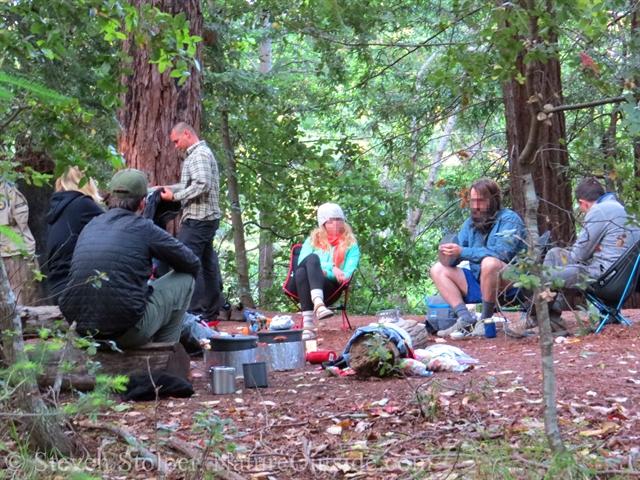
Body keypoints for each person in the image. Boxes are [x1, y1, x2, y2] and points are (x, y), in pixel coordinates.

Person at [59, 169, 200, 349]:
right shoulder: (143, 227)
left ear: (110, 198)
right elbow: (192, 262)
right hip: (124, 334)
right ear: (142, 203)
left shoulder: (92, 224)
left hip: (83, 334)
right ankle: (166, 354)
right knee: (186, 279)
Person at [506, 177, 640, 338]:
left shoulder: (599, 211)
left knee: (544, 275)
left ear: (583, 203)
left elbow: (578, 256)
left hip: (604, 280)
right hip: (622, 281)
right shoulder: (621, 208)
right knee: (555, 254)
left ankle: (535, 319)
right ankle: (553, 318)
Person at [430, 178, 527, 339]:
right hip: (479, 280)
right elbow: (458, 253)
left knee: (489, 262)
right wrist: (448, 252)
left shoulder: (509, 219)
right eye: (473, 201)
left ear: (494, 200)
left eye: (481, 201)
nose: (476, 206)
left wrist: (461, 251)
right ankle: (465, 319)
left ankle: (486, 319)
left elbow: (501, 253)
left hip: (511, 281)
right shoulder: (470, 223)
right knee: (438, 269)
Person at [155, 122, 222, 322]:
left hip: (199, 219)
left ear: (186, 134)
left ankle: (192, 312)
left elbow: (202, 185)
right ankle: (210, 312)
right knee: (207, 264)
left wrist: (174, 198)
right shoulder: (200, 154)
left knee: (185, 263)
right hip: (205, 219)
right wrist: (167, 188)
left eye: (176, 141)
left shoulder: (199, 155)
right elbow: (190, 185)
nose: (176, 146)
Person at [285, 203, 360, 339]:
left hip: (330, 288)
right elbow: (302, 263)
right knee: (311, 260)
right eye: (332, 221)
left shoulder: (351, 245)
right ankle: (318, 305)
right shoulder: (311, 241)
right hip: (300, 285)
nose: (337, 224)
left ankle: (308, 324)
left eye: (339, 220)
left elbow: (346, 275)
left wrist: (325, 273)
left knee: (307, 269)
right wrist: (332, 267)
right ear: (324, 223)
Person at [45, 167, 104, 305]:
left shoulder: (58, 210)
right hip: (77, 287)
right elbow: (118, 228)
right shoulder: (82, 204)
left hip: (57, 287)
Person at [0, 181, 39, 305]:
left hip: (12, 250)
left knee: (18, 297)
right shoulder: (9, 190)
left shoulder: (8, 189)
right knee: (20, 296)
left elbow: (21, 219)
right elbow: (21, 219)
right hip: (12, 249)